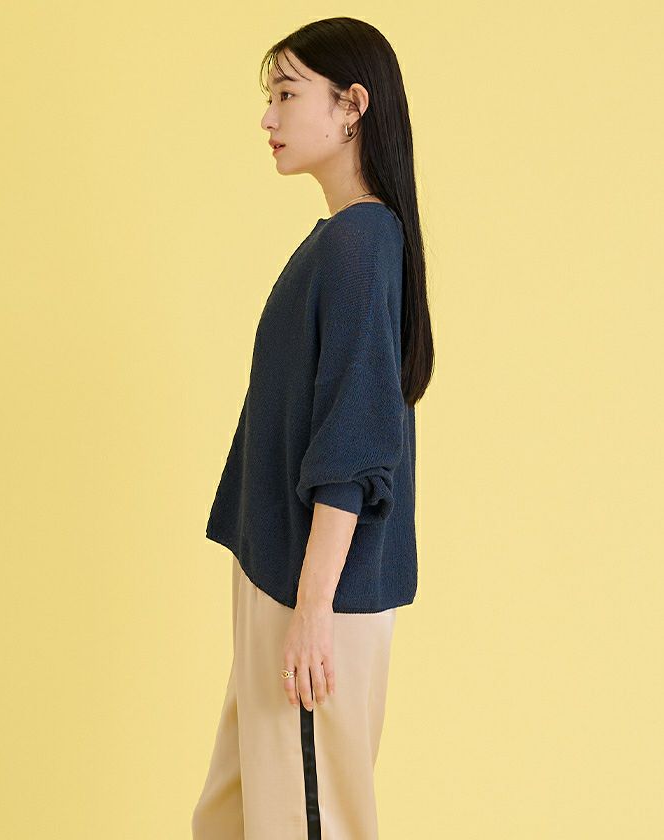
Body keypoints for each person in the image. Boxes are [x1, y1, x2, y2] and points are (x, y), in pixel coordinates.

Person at [192, 17, 434, 840]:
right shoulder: (343, 241)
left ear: (352, 107)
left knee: (302, 823)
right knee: (232, 817)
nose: (269, 117)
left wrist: (312, 609)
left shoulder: (362, 244)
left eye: (288, 95)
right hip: (285, 585)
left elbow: (355, 446)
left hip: (314, 592)